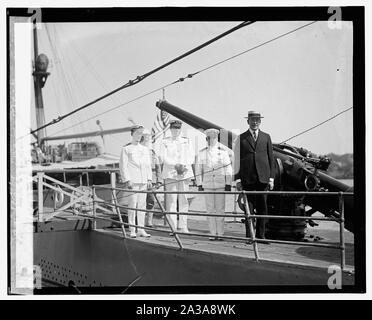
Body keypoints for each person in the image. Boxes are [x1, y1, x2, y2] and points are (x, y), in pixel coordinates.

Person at [233, 111, 275, 243]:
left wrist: (271, 178)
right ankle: (250, 236)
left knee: (263, 208)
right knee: (248, 209)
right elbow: (237, 160)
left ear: (260, 122)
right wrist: (238, 179)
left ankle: (261, 236)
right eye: (252, 119)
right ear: (248, 121)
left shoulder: (266, 137)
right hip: (247, 178)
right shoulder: (241, 138)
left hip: (263, 178)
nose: (255, 122)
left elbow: (271, 158)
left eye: (257, 120)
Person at [195, 128, 233, 240]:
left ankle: (220, 234)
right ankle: (213, 233)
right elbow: (198, 170)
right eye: (210, 138)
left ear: (217, 139)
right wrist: (199, 184)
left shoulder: (223, 152)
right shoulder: (202, 153)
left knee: (220, 209)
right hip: (207, 185)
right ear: (207, 139)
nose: (212, 140)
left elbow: (228, 169)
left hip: (220, 184)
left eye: (214, 138)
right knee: (210, 210)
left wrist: (228, 184)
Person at [159, 120, 195, 233]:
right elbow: (162, 157)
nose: (176, 130)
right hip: (171, 173)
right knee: (171, 201)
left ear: (180, 129)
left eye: (178, 128)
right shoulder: (165, 142)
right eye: (174, 128)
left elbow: (191, 156)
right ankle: (173, 227)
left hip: (184, 172)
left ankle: (183, 226)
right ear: (170, 129)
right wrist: (175, 165)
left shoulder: (187, 141)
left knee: (184, 200)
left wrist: (183, 166)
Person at [119, 125, 152, 238]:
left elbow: (148, 165)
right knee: (132, 205)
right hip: (133, 181)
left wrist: (149, 179)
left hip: (143, 181)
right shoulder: (126, 149)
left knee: (142, 206)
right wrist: (127, 180)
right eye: (137, 133)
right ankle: (132, 230)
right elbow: (123, 166)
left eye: (141, 134)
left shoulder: (144, 149)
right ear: (132, 134)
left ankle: (141, 229)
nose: (139, 136)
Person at [140, 128, 162, 227]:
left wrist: (159, 181)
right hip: (141, 180)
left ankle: (149, 222)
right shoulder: (138, 150)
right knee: (140, 201)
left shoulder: (152, 152)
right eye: (146, 136)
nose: (148, 138)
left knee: (151, 201)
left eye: (149, 136)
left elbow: (158, 167)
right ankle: (139, 221)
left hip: (152, 181)